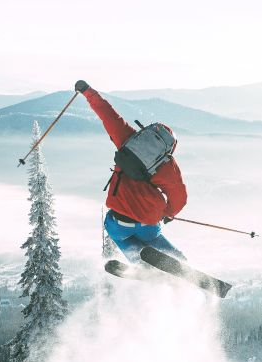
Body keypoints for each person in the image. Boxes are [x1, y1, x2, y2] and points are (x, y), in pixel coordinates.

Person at [75, 79, 187, 262]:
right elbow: (179, 197)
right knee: (154, 237)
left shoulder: (127, 139)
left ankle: (138, 262)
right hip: (149, 222)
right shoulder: (168, 166)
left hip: (120, 221)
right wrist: (168, 213)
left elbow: (108, 114)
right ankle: (179, 260)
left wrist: (87, 91)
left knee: (117, 233)